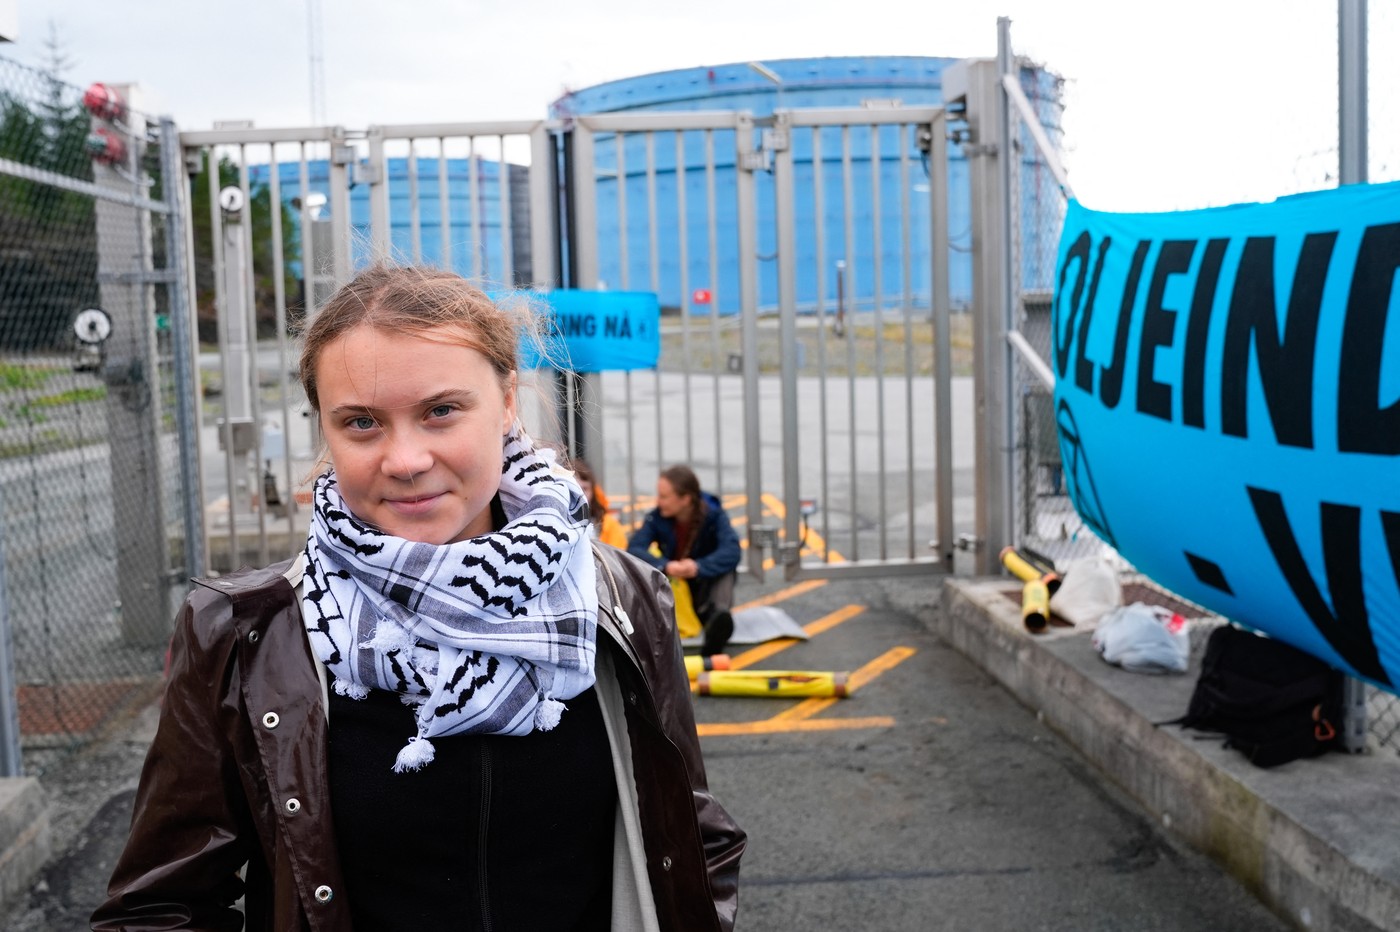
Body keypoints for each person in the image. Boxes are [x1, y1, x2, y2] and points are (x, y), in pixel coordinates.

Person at [92, 265, 745, 931]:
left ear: (508, 399)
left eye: (441, 411)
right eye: (362, 423)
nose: (405, 459)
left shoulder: (625, 598)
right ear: (326, 428)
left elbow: (691, 841)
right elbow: (158, 906)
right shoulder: (245, 632)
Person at [627, 465, 740, 657]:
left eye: (664, 496)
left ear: (685, 499)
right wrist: (666, 565)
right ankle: (710, 623)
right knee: (646, 567)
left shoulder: (714, 515)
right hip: (674, 587)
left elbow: (732, 550)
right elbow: (634, 548)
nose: (658, 501)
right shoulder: (657, 517)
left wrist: (698, 567)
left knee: (726, 571)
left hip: (704, 585)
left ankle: (717, 621)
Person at [571, 457, 628, 549]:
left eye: (585, 489)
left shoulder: (610, 526)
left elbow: (615, 559)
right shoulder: (553, 524)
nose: (580, 495)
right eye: (574, 488)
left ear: (593, 491)